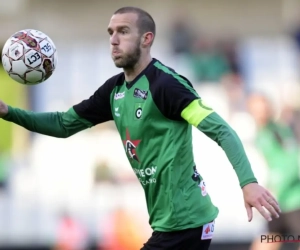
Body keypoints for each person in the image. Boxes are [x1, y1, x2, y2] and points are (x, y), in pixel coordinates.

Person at [0, 7, 281, 250]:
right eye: (110, 32)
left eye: (123, 31)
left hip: (186, 221)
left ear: (147, 39)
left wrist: (248, 183)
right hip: (170, 223)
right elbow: (63, 124)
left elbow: (222, 130)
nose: (113, 40)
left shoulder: (167, 85)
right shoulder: (114, 91)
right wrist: (9, 112)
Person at [248, 93, 300, 250]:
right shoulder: (259, 135)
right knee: (269, 239)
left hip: (292, 200)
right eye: (255, 110)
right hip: (276, 203)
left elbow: (291, 162)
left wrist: (276, 188)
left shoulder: (277, 131)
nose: (260, 113)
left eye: (263, 109)